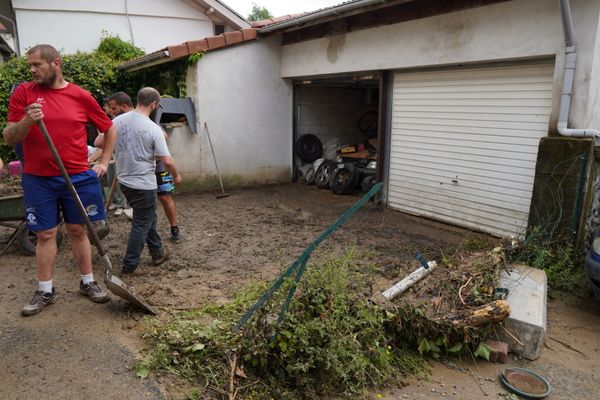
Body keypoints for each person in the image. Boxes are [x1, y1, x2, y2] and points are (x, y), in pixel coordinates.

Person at [3, 44, 116, 316]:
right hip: (39, 178)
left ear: (56, 63)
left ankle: (88, 282)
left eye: (36, 65)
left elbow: (109, 128)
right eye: (29, 65)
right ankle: (45, 289)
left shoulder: (80, 96)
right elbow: (9, 136)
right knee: (45, 233)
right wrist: (28, 121)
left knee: (79, 230)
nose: (31, 70)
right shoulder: (24, 94)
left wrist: (103, 162)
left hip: (77, 176)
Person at [112, 87, 182, 273]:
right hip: (143, 183)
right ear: (154, 104)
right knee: (141, 223)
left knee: (147, 216)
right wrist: (176, 175)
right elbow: (166, 159)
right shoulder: (153, 128)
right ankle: (130, 265)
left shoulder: (117, 121)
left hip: (124, 181)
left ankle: (157, 252)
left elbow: (99, 142)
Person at [95, 91, 134, 218]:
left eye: (114, 108)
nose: (112, 111)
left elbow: (98, 142)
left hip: (136, 168)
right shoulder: (118, 121)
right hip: (125, 164)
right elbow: (98, 143)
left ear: (123, 106)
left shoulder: (118, 121)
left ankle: (127, 207)